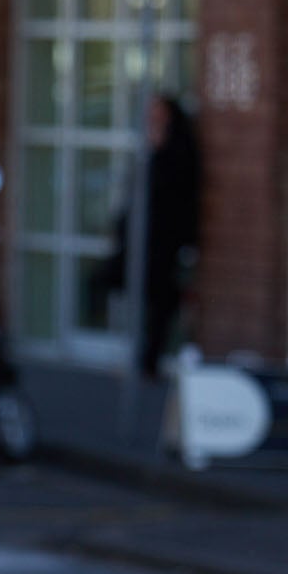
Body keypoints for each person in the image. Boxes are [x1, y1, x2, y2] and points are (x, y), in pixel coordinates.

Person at [103, 91, 202, 377]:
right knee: (129, 287)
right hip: (140, 234)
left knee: (160, 299)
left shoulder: (179, 149)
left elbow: (178, 194)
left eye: (158, 113)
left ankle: (151, 359)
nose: (152, 118)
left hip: (164, 236)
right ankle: (133, 350)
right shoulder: (149, 145)